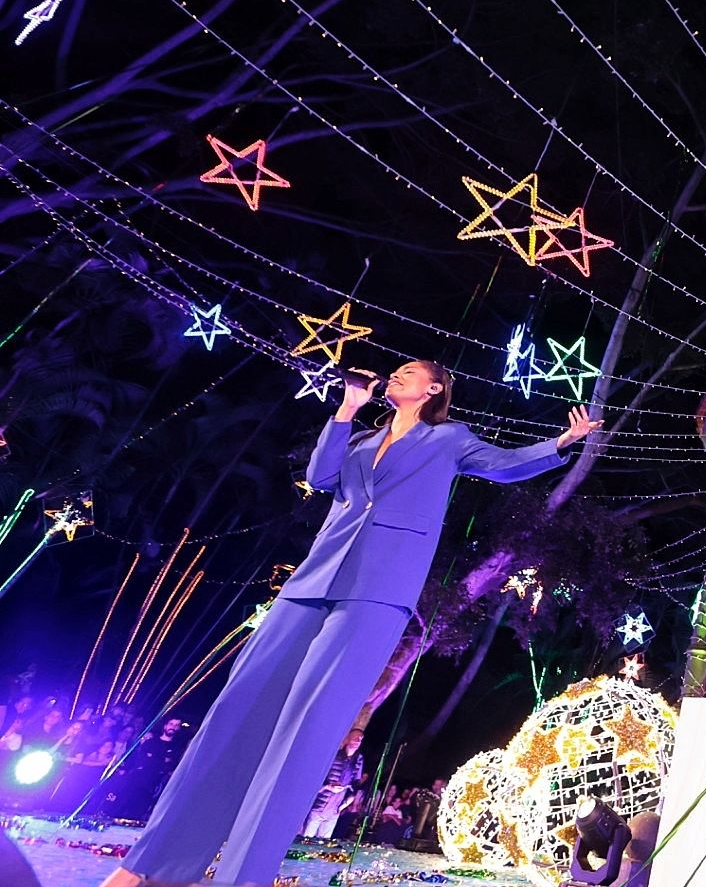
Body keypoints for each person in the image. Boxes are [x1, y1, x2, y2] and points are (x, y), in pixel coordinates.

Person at [101, 360, 599, 887]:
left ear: (433, 388)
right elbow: (319, 478)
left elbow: (504, 465)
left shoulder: (448, 438)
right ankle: (152, 865)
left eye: (408, 372)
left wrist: (563, 442)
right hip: (312, 581)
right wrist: (346, 409)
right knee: (236, 709)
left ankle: (241, 877)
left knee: (307, 730)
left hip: (378, 591)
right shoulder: (360, 437)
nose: (394, 376)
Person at [302, 729, 365, 839]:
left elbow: (356, 785)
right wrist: (328, 787)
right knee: (305, 840)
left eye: (360, 739)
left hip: (334, 811)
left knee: (322, 844)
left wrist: (343, 806)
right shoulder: (334, 755)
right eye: (355, 738)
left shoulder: (358, 760)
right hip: (319, 807)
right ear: (348, 739)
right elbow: (315, 779)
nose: (357, 741)